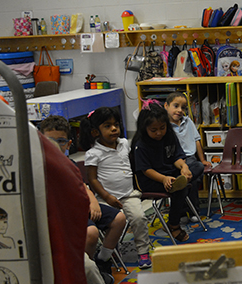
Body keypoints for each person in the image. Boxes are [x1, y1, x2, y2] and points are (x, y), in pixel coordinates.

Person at [40, 115, 125, 283]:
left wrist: (93, 202)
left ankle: (102, 260)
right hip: (63, 215)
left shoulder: (68, 164)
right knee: (91, 232)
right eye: (49, 141)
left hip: (79, 206)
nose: (55, 146)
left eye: (61, 141)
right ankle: (86, 265)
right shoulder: (38, 167)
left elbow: (83, 186)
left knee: (119, 218)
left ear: (69, 144)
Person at [80, 107, 152, 269]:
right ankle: (111, 251)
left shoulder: (124, 143)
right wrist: (106, 197)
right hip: (105, 197)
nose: (114, 129)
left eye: (116, 125)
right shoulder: (93, 153)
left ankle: (143, 252)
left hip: (128, 194)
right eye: (107, 126)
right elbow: (92, 179)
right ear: (95, 132)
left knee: (139, 218)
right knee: (111, 221)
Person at [132, 101, 194, 243]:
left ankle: (180, 181)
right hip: (151, 181)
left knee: (195, 167)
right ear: (144, 128)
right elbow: (146, 170)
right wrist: (164, 178)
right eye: (154, 130)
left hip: (170, 173)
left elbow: (176, 157)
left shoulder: (169, 136)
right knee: (179, 189)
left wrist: (184, 167)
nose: (159, 133)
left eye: (162, 128)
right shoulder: (140, 145)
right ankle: (173, 225)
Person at [164, 93, 208, 223]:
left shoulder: (188, 121)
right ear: (166, 106)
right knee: (182, 181)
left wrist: (203, 159)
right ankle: (182, 211)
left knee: (193, 177)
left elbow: (197, 140)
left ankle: (193, 210)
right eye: (176, 106)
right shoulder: (164, 126)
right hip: (174, 160)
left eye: (183, 108)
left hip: (190, 158)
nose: (179, 110)